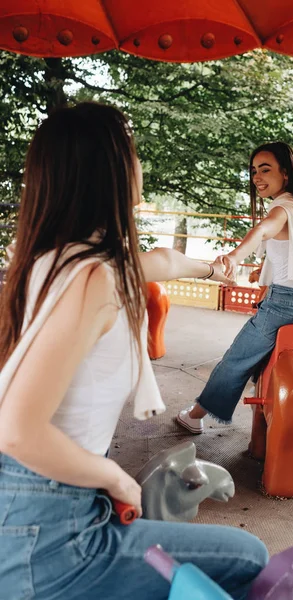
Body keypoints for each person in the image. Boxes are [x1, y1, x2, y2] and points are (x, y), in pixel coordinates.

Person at [0, 102, 268, 600]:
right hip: (49, 533)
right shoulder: (94, 278)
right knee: (249, 561)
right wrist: (115, 479)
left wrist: (214, 269)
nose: (139, 164)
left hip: (38, 511)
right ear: (110, 170)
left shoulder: (53, 260)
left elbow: (161, 260)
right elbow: (15, 428)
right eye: (133, 153)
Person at [177, 142, 293, 462]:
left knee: (237, 359)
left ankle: (195, 416)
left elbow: (263, 231)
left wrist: (234, 255)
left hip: (283, 305)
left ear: (286, 173)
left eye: (266, 169)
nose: (257, 177)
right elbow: (287, 251)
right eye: (253, 171)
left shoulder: (281, 209)